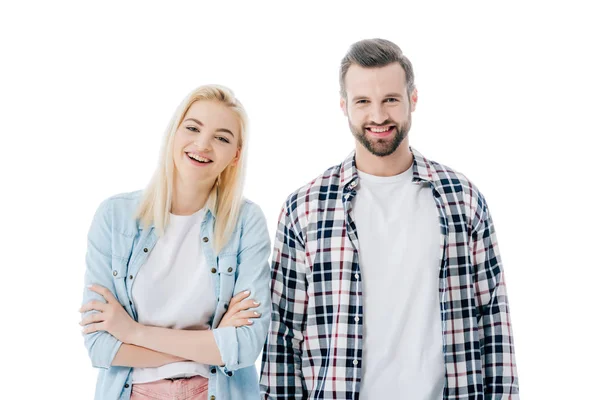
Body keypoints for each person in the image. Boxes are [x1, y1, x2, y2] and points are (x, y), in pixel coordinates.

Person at [260, 39, 519, 399]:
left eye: (391, 100)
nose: (378, 116)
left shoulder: (463, 199)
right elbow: (283, 333)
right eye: (363, 101)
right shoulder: (305, 208)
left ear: (413, 100)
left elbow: (494, 319)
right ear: (344, 107)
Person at [79, 84, 271, 400]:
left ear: (235, 155)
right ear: (173, 133)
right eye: (193, 128)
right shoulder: (114, 216)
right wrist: (212, 342)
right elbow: (101, 348)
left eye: (221, 138)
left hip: (215, 391)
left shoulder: (245, 222)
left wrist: (134, 333)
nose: (203, 144)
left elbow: (245, 346)